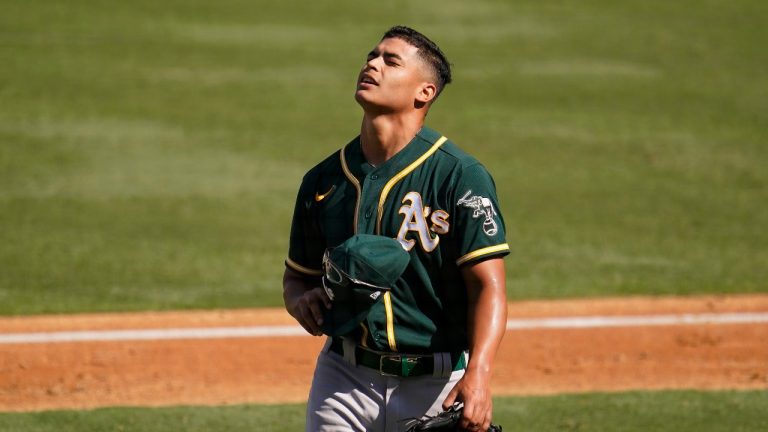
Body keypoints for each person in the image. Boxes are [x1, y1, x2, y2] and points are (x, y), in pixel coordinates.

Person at [283, 25, 509, 432]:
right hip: (343, 380)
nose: (372, 64)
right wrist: (302, 301)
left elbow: (488, 286)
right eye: (372, 56)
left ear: (425, 92)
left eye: (390, 60)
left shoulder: (459, 176)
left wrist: (480, 375)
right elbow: (296, 277)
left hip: (437, 385)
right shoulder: (323, 180)